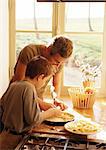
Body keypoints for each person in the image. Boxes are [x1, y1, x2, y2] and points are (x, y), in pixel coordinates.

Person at [0, 56, 62, 149]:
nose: (44, 84)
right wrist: (51, 113)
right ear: (40, 77)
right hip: (14, 140)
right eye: (45, 80)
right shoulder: (29, 88)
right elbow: (34, 119)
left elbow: (2, 106)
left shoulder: (14, 84)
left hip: (4, 136)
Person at [10, 36, 73, 111]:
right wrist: (42, 104)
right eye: (57, 61)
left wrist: (56, 99)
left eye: (62, 63)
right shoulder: (29, 52)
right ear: (48, 49)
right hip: (17, 99)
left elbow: (56, 84)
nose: (58, 66)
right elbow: (19, 83)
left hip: (37, 102)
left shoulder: (59, 62)